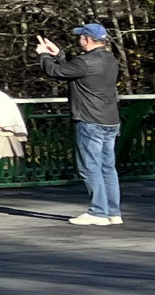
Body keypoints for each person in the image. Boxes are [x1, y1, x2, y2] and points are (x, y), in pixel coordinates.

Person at [37, 21, 123, 226]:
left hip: (90, 120)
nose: (79, 40)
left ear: (87, 40)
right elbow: (73, 69)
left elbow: (56, 72)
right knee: (108, 168)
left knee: (90, 167)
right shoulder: (111, 60)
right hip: (110, 120)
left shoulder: (84, 62)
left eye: (81, 37)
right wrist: (59, 54)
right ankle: (113, 212)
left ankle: (98, 212)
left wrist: (43, 55)